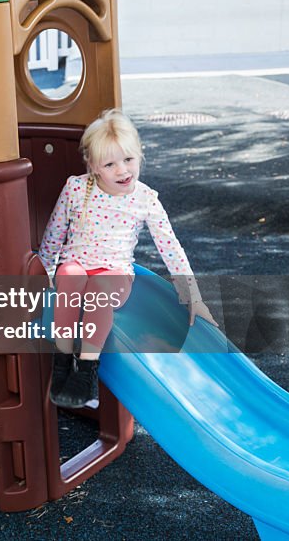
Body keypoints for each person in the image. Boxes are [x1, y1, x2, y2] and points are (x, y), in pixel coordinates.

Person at [37, 108, 217, 409]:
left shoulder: (145, 198)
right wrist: (43, 271)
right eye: (110, 164)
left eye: (129, 160)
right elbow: (54, 234)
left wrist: (192, 295)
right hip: (76, 263)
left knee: (98, 291)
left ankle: (86, 370)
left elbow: (170, 247)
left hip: (114, 272)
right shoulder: (76, 188)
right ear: (93, 166)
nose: (123, 171)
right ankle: (62, 360)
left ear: (140, 155)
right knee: (70, 276)